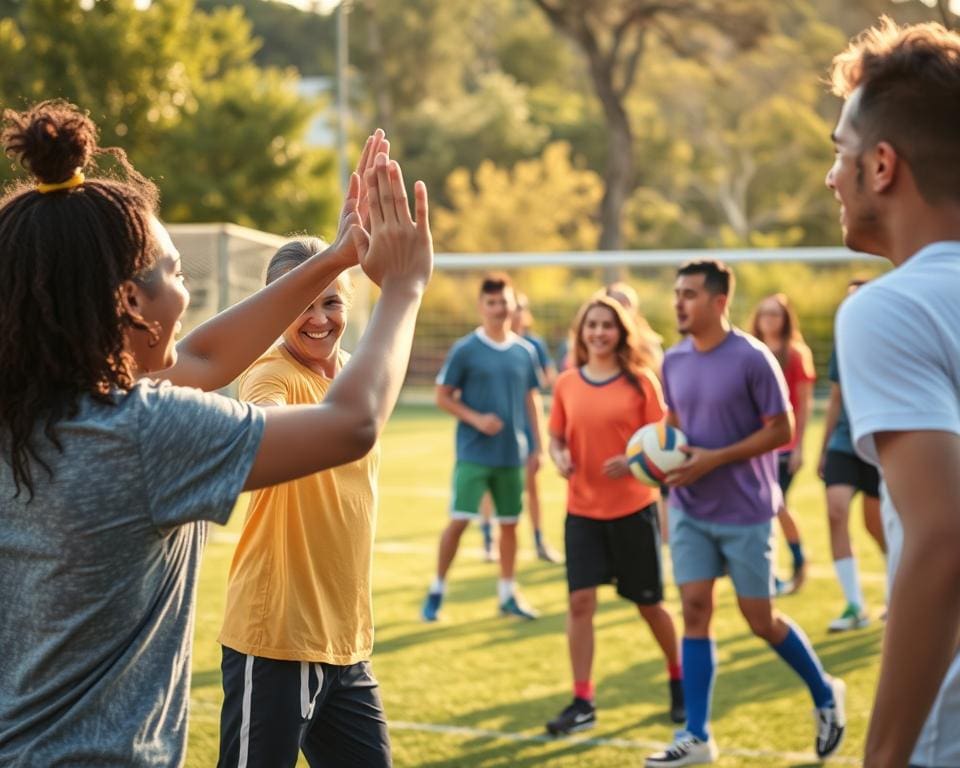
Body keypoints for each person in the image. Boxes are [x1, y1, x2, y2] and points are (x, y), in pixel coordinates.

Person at [0, 100, 433, 766]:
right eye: (176, 273)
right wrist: (403, 288)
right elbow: (351, 424)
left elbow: (202, 360)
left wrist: (338, 257)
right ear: (131, 303)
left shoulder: (30, 412)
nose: (188, 290)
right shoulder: (142, 434)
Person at [645, 260, 844, 767]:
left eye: (689, 294)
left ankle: (824, 693)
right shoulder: (673, 360)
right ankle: (697, 736)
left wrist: (716, 458)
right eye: (676, 293)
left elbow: (782, 430)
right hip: (690, 505)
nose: (678, 303)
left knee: (759, 619)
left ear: (718, 302)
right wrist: (649, 459)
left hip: (746, 511)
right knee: (694, 609)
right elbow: (674, 423)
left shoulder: (754, 358)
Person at [827, 19, 960, 767]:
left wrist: (884, 758)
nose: (830, 178)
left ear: (881, 165)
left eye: (839, 154)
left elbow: (942, 539)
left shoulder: (890, 308)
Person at [216, 240, 390, 767]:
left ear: (349, 301)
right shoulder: (272, 373)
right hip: (276, 640)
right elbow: (263, 417)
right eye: (300, 305)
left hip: (345, 641)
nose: (317, 319)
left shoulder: (353, 379)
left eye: (330, 302)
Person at [545, 293, 683, 736]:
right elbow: (556, 438)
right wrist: (559, 456)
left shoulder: (641, 382)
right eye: (592, 325)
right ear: (582, 333)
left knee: (649, 605)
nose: (599, 333)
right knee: (580, 602)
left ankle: (680, 679)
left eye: (607, 325)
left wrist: (634, 460)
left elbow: (665, 443)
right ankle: (583, 700)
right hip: (582, 511)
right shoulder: (567, 383)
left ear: (621, 332)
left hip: (632, 510)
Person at [421, 272, 543, 622]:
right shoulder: (465, 350)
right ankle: (437, 590)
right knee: (459, 522)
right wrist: (476, 419)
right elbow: (442, 397)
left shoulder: (524, 351)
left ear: (512, 304)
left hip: (511, 455)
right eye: (491, 303)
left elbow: (531, 398)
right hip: (474, 454)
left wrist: (538, 446)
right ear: (481, 307)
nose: (498, 309)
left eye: (503, 302)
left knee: (509, 525)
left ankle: (507, 594)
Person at [818, 281, 885, 633]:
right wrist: (823, 448)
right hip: (844, 440)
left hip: (878, 442)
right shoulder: (842, 345)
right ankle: (854, 605)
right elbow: (835, 399)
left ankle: (896, 588)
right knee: (836, 510)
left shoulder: (890, 340)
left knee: (877, 525)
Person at [477, 290, 560, 563]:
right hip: (495, 431)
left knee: (531, 486)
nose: (514, 312)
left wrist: (539, 443)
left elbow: (544, 381)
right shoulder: (485, 342)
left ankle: (538, 540)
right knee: (489, 487)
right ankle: (489, 540)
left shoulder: (532, 345)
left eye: (519, 307)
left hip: (524, 430)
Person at [750, 293, 815, 595]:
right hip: (755, 445)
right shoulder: (750, 352)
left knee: (775, 505)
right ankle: (772, 573)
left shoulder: (796, 354)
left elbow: (802, 403)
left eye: (775, 314)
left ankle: (798, 560)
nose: (769, 320)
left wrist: (799, 446)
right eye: (764, 314)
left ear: (786, 319)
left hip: (784, 447)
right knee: (763, 507)